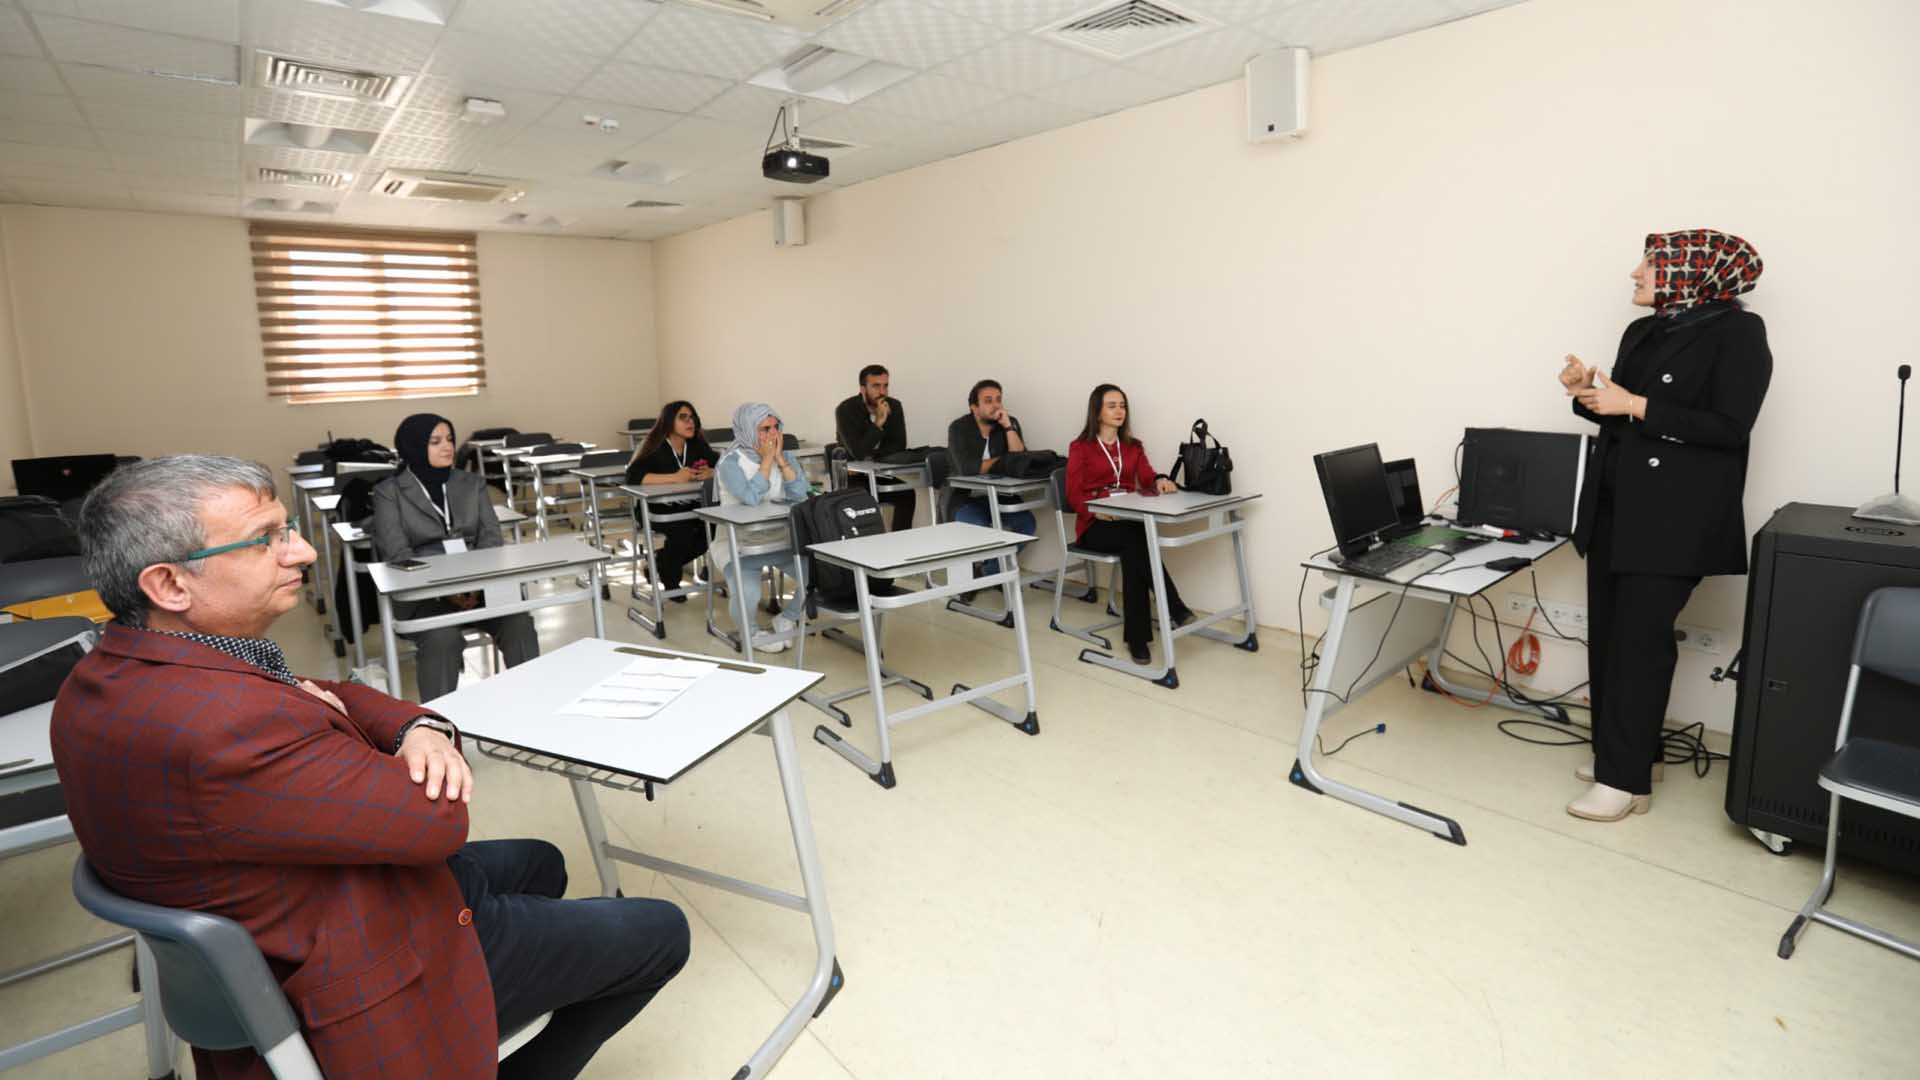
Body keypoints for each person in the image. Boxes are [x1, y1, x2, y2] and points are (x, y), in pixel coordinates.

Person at [51, 455, 689, 1080]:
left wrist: (418, 726)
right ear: (169, 585)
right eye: (265, 541)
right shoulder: (224, 723)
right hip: (352, 962)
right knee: (662, 930)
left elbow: (325, 689)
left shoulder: (122, 672)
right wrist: (372, 727)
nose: (301, 553)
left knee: (541, 860)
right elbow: (438, 822)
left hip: (298, 901)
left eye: (288, 530)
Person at [1561, 229, 1771, 822]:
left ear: (1693, 271)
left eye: (1651, 263)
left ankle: (1622, 783)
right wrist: (1587, 395)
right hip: (1614, 507)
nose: (1636, 272)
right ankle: (1629, 756)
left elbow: (1729, 428)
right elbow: (1623, 408)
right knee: (1608, 635)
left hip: (1676, 518)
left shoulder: (1738, 333)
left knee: (1638, 644)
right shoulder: (1646, 329)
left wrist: (1635, 406)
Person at [370, 413, 540, 702]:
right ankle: (438, 724)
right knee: (442, 638)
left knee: (519, 623)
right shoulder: (389, 492)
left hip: (478, 587)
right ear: (413, 446)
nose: (447, 447)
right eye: (435, 442)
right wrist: (449, 590)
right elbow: (398, 554)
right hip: (424, 595)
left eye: (449, 439)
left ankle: (533, 705)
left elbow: (490, 540)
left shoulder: (471, 483)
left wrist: (473, 584)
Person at [1064, 384, 1195, 665]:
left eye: (1122, 405)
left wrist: (1160, 479)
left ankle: (1139, 639)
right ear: (1097, 411)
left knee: (1134, 544)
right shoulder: (1081, 447)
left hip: (1126, 522)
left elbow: (1146, 477)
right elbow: (1073, 494)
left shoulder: (1132, 447)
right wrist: (1095, 513)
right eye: (1111, 405)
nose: (1119, 411)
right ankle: (1174, 607)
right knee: (1137, 540)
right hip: (1093, 526)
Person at [713, 402, 811, 654]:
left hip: (780, 538)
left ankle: (786, 618)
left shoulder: (785, 456)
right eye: (764, 428)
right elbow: (751, 498)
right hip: (739, 545)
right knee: (749, 592)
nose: (772, 434)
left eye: (776, 427)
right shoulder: (730, 463)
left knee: (817, 576)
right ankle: (751, 632)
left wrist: (779, 459)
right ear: (747, 430)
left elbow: (800, 494)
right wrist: (767, 462)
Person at [946, 379, 1038, 597]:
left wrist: (1008, 427)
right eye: (988, 401)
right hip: (964, 498)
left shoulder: (1008, 423)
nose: (996, 405)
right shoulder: (959, 428)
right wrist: (1003, 462)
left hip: (999, 497)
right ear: (974, 407)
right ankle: (974, 578)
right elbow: (967, 468)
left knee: (1027, 525)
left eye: (998, 399)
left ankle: (988, 571)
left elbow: (1021, 460)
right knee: (978, 528)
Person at [626, 400, 717, 600]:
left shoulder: (696, 444)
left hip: (690, 506)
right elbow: (633, 476)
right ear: (668, 421)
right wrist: (675, 477)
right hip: (656, 509)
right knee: (682, 533)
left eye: (692, 417)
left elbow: (719, 463)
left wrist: (712, 472)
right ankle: (671, 582)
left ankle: (660, 563)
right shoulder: (655, 445)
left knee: (711, 531)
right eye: (683, 417)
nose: (689, 422)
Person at [834, 363, 916, 531]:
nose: (882, 392)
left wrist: (872, 455)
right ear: (863, 388)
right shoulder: (846, 410)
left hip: (881, 472)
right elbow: (857, 452)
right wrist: (878, 423)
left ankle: (901, 543)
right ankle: (867, 547)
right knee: (863, 499)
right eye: (876, 386)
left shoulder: (894, 405)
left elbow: (899, 444)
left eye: (886, 385)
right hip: (853, 476)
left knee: (907, 493)